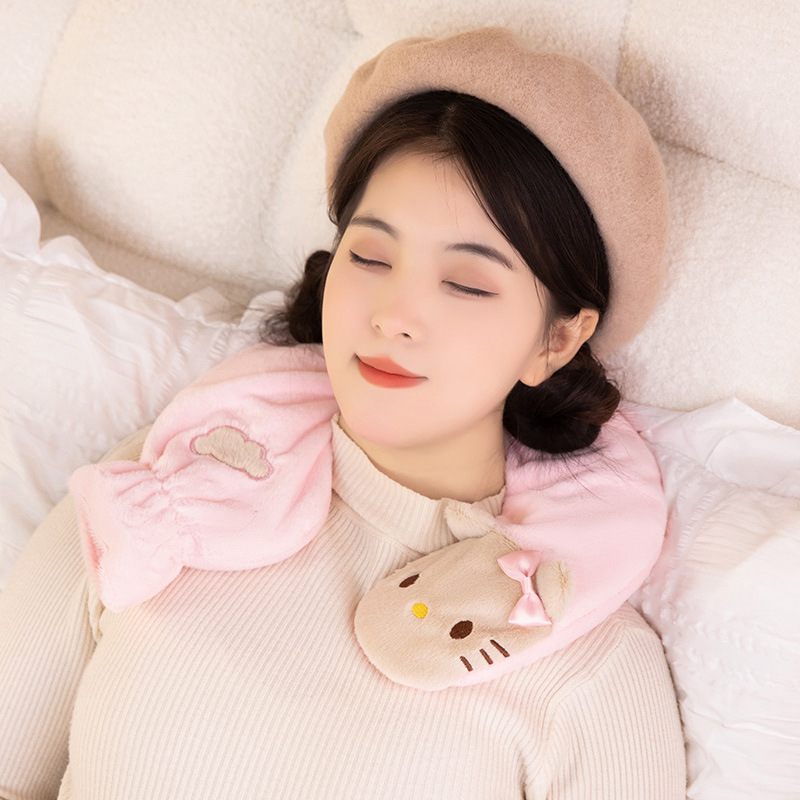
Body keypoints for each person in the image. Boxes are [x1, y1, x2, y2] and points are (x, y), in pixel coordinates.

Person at [0, 28, 686, 798]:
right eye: (371, 257)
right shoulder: (169, 487)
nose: (393, 314)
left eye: (465, 283)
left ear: (557, 340)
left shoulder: (591, 665)